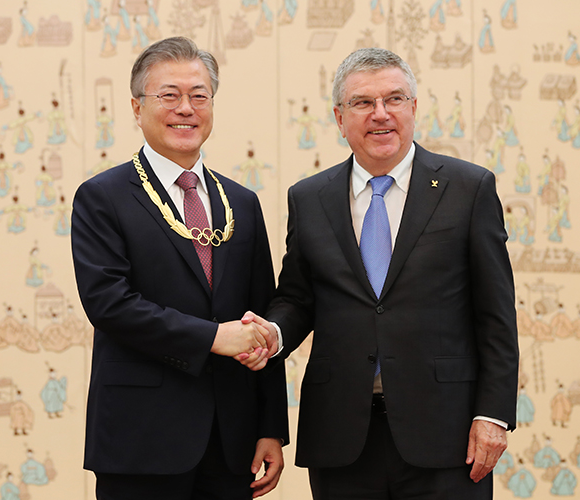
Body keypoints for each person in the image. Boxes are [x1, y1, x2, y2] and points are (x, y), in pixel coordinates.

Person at [244, 47, 518, 499]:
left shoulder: (469, 189)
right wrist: (273, 333)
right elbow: (297, 298)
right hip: (341, 435)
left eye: (394, 99)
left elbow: (496, 315)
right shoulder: (309, 198)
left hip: (447, 435)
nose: (381, 114)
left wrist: (492, 414)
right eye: (363, 103)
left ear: (413, 107)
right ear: (339, 115)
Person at [71, 36, 288, 500]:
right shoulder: (103, 197)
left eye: (199, 95)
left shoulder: (242, 204)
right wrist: (212, 338)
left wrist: (270, 427)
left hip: (231, 441)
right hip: (141, 437)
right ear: (137, 106)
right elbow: (110, 305)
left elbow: (260, 314)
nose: (185, 108)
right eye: (169, 95)